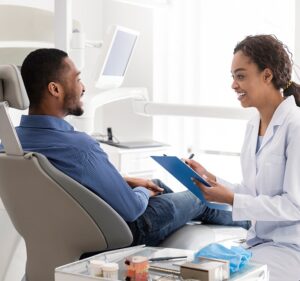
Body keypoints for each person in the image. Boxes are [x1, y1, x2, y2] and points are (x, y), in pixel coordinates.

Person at [16, 48, 248, 247]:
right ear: (55, 89)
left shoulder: (11, 144)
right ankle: (251, 222)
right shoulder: (81, 148)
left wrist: (129, 181)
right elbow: (131, 209)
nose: (83, 87)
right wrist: (142, 192)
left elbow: (64, 182)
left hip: (68, 232)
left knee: (156, 184)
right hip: (123, 232)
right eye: (77, 79)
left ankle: (228, 215)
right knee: (196, 197)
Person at [186, 35, 300, 281]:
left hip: (291, 248)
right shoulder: (254, 124)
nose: (234, 85)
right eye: (233, 77)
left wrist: (232, 198)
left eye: (241, 76)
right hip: (260, 242)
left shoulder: (296, 125)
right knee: (197, 269)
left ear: (267, 75)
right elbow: (252, 191)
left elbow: (294, 206)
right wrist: (213, 180)